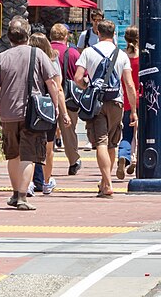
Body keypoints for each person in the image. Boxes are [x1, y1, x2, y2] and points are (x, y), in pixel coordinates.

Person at [0, 17, 69, 210]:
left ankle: (15, 193)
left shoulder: (2, 58)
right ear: (28, 36)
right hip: (32, 115)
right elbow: (52, 83)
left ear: (9, 37)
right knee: (28, 156)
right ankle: (22, 196)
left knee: (12, 155)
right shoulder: (38, 55)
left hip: (8, 114)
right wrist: (55, 106)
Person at [73, 18, 136, 198]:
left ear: (98, 33)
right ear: (114, 34)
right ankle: (104, 181)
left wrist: (88, 87)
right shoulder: (121, 54)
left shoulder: (88, 52)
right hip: (117, 102)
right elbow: (129, 84)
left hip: (96, 103)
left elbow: (78, 78)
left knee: (101, 142)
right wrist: (133, 111)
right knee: (112, 143)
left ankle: (107, 183)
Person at [27, 33, 60, 196]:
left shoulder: (26, 60)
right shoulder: (52, 62)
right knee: (48, 147)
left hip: (30, 106)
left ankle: (29, 183)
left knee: (30, 147)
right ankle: (46, 182)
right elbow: (57, 87)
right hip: (47, 107)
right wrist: (59, 109)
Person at [48, 23, 82, 175]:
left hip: (46, 99)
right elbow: (81, 76)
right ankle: (73, 161)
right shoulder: (73, 53)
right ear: (66, 36)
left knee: (46, 133)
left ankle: (44, 165)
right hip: (68, 99)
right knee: (69, 131)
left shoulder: (44, 51)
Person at [116, 27, 139, 180]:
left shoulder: (121, 56)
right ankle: (137, 158)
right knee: (142, 134)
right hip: (141, 98)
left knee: (127, 134)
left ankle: (124, 155)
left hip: (125, 100)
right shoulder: (143, 56)